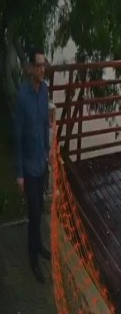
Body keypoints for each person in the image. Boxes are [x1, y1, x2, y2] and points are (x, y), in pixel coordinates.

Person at [14, 47, 51, 283]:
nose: (42, 69)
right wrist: (18, 173)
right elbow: (17, 136)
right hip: (27, 166)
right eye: (38, 66)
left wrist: (47, 153)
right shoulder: (22, 96)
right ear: (30, 69)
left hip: (41, 162)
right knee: (35, 212)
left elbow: (46, 122)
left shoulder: (45, 91)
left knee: (40, 211)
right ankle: (33, 256)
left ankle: (38, 245)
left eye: (44, 65)